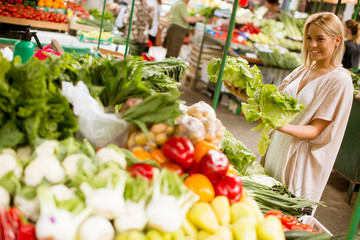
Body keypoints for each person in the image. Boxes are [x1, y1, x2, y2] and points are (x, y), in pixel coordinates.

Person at [225, 12, 353, 209]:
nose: (312, 45)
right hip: (277, 150)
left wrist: (279, 125)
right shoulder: (302, 70)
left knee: (284, 218)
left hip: (299, 166)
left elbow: (316, 130)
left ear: (337, 40)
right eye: (309, 38)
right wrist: (244, 95)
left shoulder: (339, 80)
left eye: (320, 39)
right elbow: (273, 107)